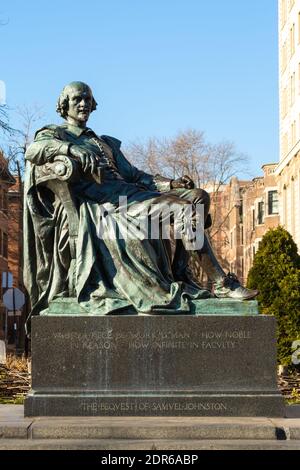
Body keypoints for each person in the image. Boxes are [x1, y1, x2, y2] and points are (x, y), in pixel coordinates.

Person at [24, 81, 257, 327]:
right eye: (77, 99)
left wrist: (171, 184)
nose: (83, 104)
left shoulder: (104, 142)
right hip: (109, 202)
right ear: (65, 105)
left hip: (132, 193)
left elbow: (136, 176)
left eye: (87, 99)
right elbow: (34, 150)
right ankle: (222, 284)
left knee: (198, 197)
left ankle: (181, 274)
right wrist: (69, 148)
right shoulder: (56, 134)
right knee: (184, 210)